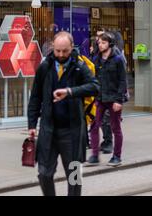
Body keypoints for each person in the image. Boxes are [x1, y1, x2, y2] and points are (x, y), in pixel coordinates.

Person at [28, 31, 100, 196]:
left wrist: (70, 91)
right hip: (49, 130)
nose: (61, 55)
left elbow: (95, 87)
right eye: (58, 51)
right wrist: (32, 124)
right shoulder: (44, 67)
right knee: (44, 173)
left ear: (71, 47)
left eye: (65, 51)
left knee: (74, 176)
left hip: (72, 131)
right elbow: (35, 97)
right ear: (53, 47)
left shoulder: (79, 66)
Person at [87, 32, 127, 167]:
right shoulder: (97, 58)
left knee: (115, 128)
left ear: (110, 43)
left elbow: (123, 81)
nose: (100, 44)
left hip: (114, 98)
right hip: (100, 98)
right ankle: (94, 155)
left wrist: (119, 100)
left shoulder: (118, 59)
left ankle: (117, 156)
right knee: (94, 126)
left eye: (103, 42)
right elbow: (93, 77)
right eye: (99, 42)